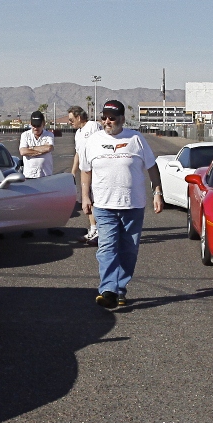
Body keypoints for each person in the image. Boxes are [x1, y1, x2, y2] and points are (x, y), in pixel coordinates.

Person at [78, 100, 164, 309]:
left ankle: (120, 288)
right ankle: (108, 290)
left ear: (122, 119)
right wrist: (85, 197)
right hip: (104, 205)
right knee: (107, 247)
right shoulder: (93, 141)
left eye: (112, 117)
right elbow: (85, 170)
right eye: (104, 117)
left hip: (132, 206)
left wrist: (158, 192)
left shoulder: (136, 139)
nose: (107, 121)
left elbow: (152, 167)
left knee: (128, 251)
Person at [67, 104, 102, 243]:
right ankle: (93, 229)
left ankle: (100, 231)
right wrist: (73, 172)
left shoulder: (93, 126)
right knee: (88, 200)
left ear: (79, 117)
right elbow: (78, 154)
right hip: (85, 172)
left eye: (71, 119)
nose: (70, 123)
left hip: (97, 171)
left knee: (97, 200)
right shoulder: (78, 133)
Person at [19, 111, 54, 178]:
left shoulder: (49, 135)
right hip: (29, 176)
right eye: (33, 125)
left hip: (46, 175)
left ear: (43, 124)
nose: (35, 128)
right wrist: (42, 150)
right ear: (30, 123)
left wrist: (30, 148)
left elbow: (49, 148)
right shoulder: (25, 135)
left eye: (38, 126)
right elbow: (23, 151)